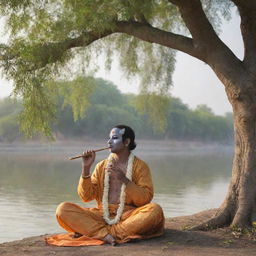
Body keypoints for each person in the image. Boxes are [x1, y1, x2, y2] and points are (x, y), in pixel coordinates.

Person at [55, 125, 165, 245]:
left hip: (129, 217)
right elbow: (86, 197)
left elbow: (145, 199)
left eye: (114, 138)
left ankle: (99, 232)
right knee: (63, 209)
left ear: (127, 142)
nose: (109, 141)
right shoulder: (101, 166)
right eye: (109, 138)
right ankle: (109, 234)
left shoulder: (140, 166)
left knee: (155, 211)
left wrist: (125, 180)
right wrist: (86, 169)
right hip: (101, 215)